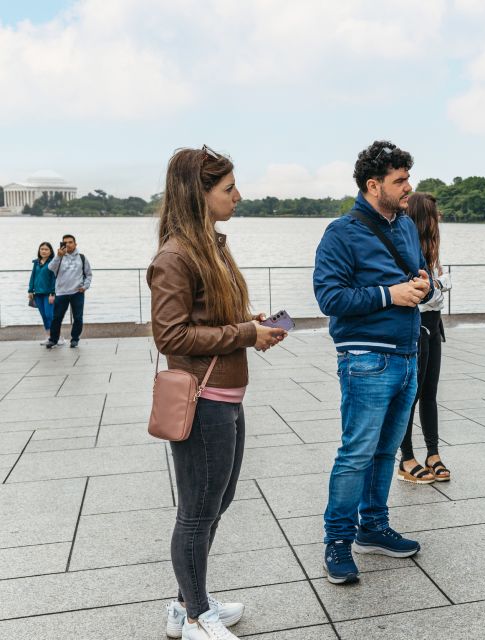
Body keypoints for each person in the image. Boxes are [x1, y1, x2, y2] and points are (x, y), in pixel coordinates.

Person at [148, 146, 287, 640]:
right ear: (198, 193)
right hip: (203, 401)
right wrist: (245, 334)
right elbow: (171, 336)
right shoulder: (175, 256)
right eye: (228, 189)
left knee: (217, 501)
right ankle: (194, 618)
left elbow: (208, 322)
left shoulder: (212, 246)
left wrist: (250, 325)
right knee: (197, 511)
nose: (238, 196)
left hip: (226, 395)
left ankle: (187, 603)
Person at [314, 140, 433, 585]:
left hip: (407, 353)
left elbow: (420, 274)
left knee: (386, 452)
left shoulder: (404, 225)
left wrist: (425, 284)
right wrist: (390, 294)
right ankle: (338, 541)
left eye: (407, 178)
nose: (408, 187)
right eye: (399, 181)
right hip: (365, 359)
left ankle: (374, 527)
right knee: (356, 453)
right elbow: (329, 298)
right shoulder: (340, 233)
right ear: (372, 185)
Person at [398, 192, 451, 485]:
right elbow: (426, 292)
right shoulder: (407, 247)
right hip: (416, 324)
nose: (438, 217)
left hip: (434, 322)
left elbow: (437, 288)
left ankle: (433, 452)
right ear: (424, 216)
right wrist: (438, 286)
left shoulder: (432, 249)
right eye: (434, 212)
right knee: (412, 395)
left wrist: (437, 286)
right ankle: (406, 457)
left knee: (430, 391)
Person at [46, 234, 92, 348]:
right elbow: (50, 268)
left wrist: (85, 286)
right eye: (65, 242)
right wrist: (58, 256)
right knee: (57, 318)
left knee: (78, 317)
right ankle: (53, 340)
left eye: (70, 242)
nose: (68, 244)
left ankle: (75, 339)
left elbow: (88, 274)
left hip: (77, 292)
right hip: (61, 292)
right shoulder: (59, 257)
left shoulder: (82, 257)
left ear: (75, 244)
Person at [28, 242, 57, 343]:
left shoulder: (52, 263)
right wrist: (30, 290)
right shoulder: (36, 262)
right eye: (42, 249)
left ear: (50, 251)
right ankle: (48, 337)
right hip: (38, 294)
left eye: (46, 249)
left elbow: (54, 279)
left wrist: (52, 293)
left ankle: (56, 337)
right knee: (44, 316)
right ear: (39, 251)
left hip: (48, 294)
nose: (43, 251)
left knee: (50, 315)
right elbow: (33, 277)